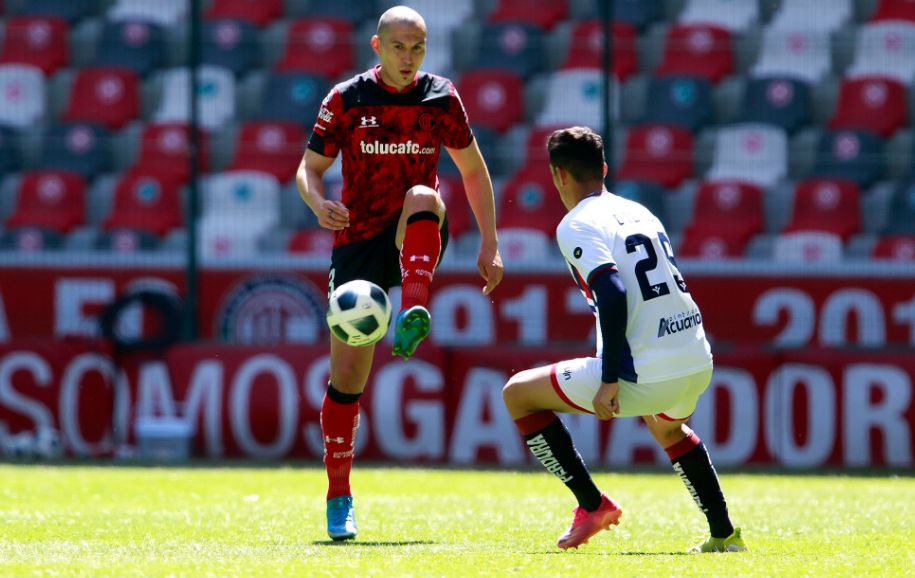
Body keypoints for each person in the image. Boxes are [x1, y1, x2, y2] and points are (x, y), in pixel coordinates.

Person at [296, 5, 503, 541]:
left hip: (417, 228)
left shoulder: (441, 96)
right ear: (377, 46)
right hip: (357, 241)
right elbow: (309, 168)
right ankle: (338, 497)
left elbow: (474, 170)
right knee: (346, 381)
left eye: (417, 48)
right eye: (398, 47)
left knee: (423, 194)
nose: (408, 58)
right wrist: (318, 204)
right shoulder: (345, 99)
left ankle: (414, 305)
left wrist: (490, 242)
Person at [501, 126, 746, 553]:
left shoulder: (575, 223)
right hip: (696, 359)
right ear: (605, 170)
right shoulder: (639, 211)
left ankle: (592, 505)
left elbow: (611, 292)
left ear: (559, 175)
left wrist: (610, 377)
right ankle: (724, 534)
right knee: (667, 427)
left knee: (518, 394)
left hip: (644, 372)